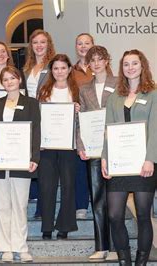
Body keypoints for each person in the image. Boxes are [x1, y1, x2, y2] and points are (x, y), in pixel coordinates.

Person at [101, 49, 157, 266]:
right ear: (121, 68)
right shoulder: (115, 97)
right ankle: (124, 260)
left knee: (143, 215)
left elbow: (155, 128)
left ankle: (141, 261)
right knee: (115, 215)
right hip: (119, 164)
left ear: (142, 66)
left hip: (144, 163)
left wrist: (150, 158)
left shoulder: (152, 94)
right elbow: (108, 129)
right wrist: (105, 157)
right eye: (126, 64)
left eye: (134, 63)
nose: (130, 67)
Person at [0, 66, 40, 262]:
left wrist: (34, 158)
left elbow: (36, 132)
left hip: (22, 161)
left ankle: (21, 246)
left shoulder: (32, 104)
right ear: (2, 83)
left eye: (12, 78)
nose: (9, 82)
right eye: (5, 79)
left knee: (19, 205)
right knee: (1, 205)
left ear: (19, 80)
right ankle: (5, 247)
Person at [75, 45, 117, 261]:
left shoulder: (119, 83)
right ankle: (101, 247)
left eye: (101, 58)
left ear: (107, 60)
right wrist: (80, 145)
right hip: (93, 150)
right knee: (97, 199)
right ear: (88, 64)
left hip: (117, 149)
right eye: (93, 60)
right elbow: (81, 121)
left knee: (116, 199)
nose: (97, 63)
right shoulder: (84, 89)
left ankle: (119, 246)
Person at [37, 54, 79, 240]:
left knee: (69, 185)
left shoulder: (77, 91)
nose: (59, 71)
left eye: (63, 68)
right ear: (51, 71)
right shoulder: (44, 91)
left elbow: (84, 118)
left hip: (69, 146)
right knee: (47, 186)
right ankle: (47, 226)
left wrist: (79, 110)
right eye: (56, 68)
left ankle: (65, 226)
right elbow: (38, 117)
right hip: (47, 146)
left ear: (69, 69)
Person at [22, 29, 56, 219]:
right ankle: (33, 195)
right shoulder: (27, 68)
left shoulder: (54, 66)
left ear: (48, 44)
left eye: (43, 42)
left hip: (48, 118)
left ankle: (43, 208)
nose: (39, 46)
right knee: (32, 157)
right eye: (35, 42)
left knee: (45, 165)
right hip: (29, 117)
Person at [73, 33, 94, 220]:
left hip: (97, 124)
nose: (83, 46)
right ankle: (81, 205)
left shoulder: (103, 68)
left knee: (96, 165)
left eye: (87, 43)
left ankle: (98, 203)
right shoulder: (71, 71)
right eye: (80, 43)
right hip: (79, 123)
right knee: (80, 165)